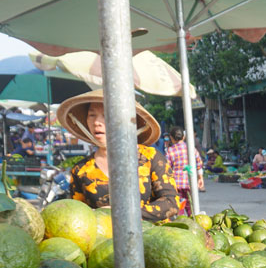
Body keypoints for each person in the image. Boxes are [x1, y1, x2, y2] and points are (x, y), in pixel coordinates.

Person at [57, 90, 179, 222]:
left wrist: (123, 214)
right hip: (106, 241)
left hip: (152, 238)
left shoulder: (150, 157)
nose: (97, 122)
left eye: (106, 115)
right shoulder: (80, 170)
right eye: (92, 115)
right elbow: (77, 217)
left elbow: (171, 203)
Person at [164, 126, 204, 216]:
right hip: (190, 183)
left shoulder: (170, 151)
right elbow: (199, 164)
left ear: (171, 138)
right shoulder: (191, 149)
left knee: (179, 208)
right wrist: (200, 178)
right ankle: (194, 225)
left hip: (176, 185)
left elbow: (167, 168)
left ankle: (181, 225)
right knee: (191, 208)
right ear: (183, 137)